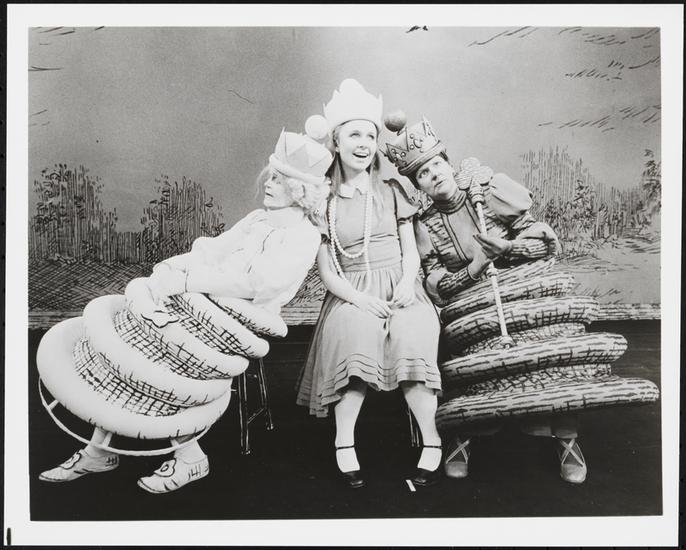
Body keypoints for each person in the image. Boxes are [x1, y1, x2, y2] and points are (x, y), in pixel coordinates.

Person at [39, 127, 332, 493]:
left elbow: (257, 285)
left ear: (300, 190)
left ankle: (190, 458)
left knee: (157, 356)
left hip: (237, 321)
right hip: (201, 302)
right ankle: (99, 451)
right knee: (133, 342)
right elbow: (211, 250)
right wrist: (173, 268)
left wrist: (190, 281)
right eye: (271, 176)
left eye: (279, 180)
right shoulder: (258, 220)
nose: (268, 184)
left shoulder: (303, 236)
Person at [383, 113, 587, 484]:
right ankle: (466, 433)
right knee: (469, 353)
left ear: (448, 163)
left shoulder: (489, 192)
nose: (434, 175)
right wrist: (476, 267)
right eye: (423, 174)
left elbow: (544, 244)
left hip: (522, 289)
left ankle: (566, 437)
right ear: (419, 186)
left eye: (436, 165)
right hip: (471, 303)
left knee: (546, 341)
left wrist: (508, 248)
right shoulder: (424, 224)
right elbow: (438, 286)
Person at [295, 79, 442, 488]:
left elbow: (411, 251)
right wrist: (358, 299)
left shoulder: (393, 190)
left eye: (370, 136)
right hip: (350, 292)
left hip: (400, 285)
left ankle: (431, 439)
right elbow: (327, 272)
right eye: (354, 135)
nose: (364, 144)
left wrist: (408, 283)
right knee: (354, 333)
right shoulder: (320, 199)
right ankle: (344, 441)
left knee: (411, 335)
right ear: (336, 142)